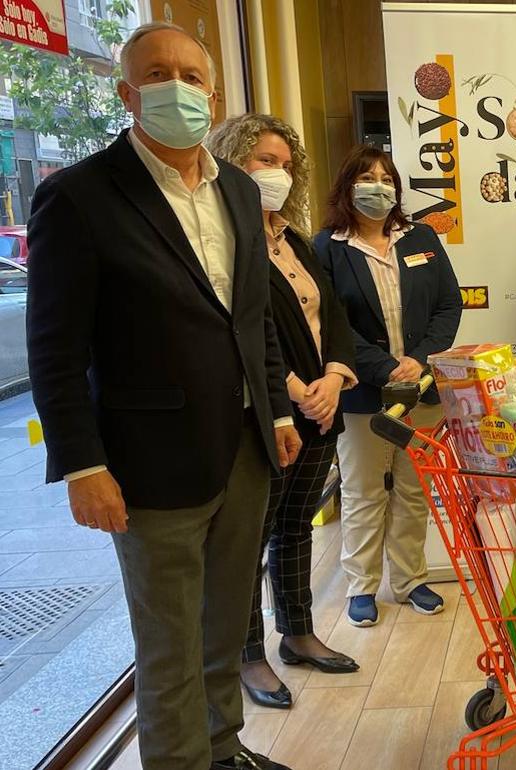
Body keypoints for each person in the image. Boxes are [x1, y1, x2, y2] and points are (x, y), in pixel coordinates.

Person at [26, 23, 300, 770]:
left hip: (244, 449)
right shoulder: (79, 198)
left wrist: (274, 407)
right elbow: (54, 349)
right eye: (157, 73)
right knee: (169, 644)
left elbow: (254, 321)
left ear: (213, 93)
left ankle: (222, 748)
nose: (176, 86)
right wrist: (82, 465)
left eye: (190, 74)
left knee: (225, 629)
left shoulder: (240, 191)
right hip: (147, 466)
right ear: (126, 91)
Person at [205, 114, 362, 710]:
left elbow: (334, 316)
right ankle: (249, 654)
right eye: (261, 161)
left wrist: (334, 377)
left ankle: (298, 633)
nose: (276, 173)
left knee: (297, 525)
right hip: (269, 410)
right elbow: (247, 331)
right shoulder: (224, 237)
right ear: (230, 164)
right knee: (250, 535)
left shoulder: (294, 239)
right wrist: (297, 388)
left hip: (323, 403)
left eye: (283, 163)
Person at [314, 145, 463, 626]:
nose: (377, 186)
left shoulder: (420, 237)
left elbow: (449, 305)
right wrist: (384, 366)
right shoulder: (328, 248)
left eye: (386, 177)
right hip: (362, 392)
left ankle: (410, 580)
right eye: (366, 177)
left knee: (415, 489)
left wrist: (417, 361)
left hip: (420, 389)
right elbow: (331, 323)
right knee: (362, 490)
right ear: (347, 187)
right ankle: (362, 585)